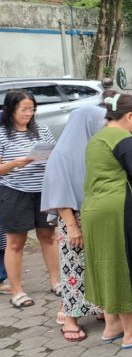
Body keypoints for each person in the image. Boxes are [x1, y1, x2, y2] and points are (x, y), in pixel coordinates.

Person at [82, 93, 132, 347]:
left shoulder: (97, 138)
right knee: (124, 264)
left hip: (95, 209)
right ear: (129, 117)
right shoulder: (124, 138)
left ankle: (112, 325)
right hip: (119, 209)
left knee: (106, 264)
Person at [41, 105, 107, 342]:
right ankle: (70, 318)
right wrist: (71, 225)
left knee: (96, 266)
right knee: (73, 268)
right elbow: (58, 192)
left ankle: (97, 306)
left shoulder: (94, 149)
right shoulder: (63, 153)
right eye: (101, 122)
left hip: (95, 217)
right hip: (74, 218)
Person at [0, 90, 59, 308]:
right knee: (15, 242)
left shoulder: (42, 130)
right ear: (10, 110)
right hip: (14, 192)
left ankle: (56, 281)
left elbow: (55, 155)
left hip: (43, 191)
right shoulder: (2, 134)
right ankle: (17, 291)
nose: (28, 113)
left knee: (49, 236)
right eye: (23, 109)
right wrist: (15, 163)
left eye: (31, 109)